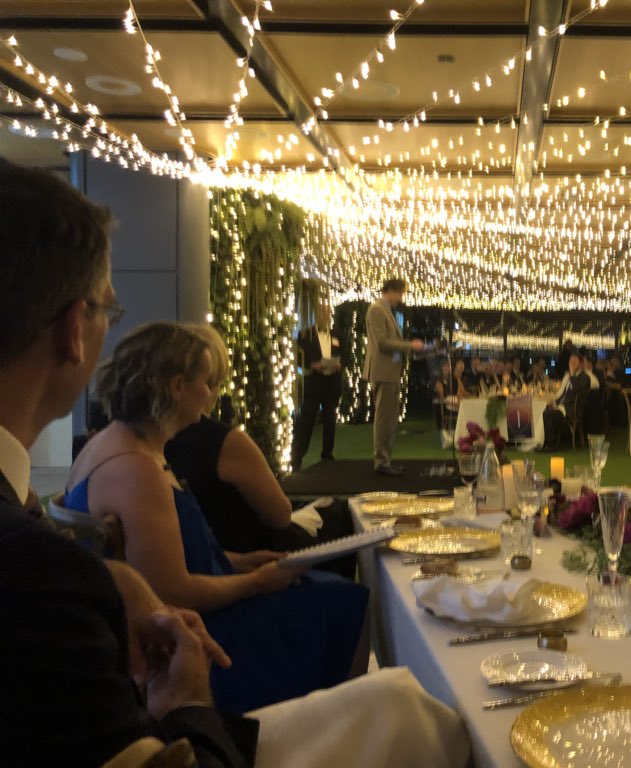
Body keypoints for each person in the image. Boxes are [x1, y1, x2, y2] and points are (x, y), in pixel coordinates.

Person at [0, 160, 253, 765]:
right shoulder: (36, 578)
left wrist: (116, 578)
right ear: (74, 330)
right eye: (106, 311)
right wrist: (188, 702)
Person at [65, 323, 370, 713]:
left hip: (198, 614)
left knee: (326, 590)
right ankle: (332, 722)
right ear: (178, 387)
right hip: (198, 638)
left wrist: (241, 561)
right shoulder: (135, 468)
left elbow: (165, 557)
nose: (211, 395)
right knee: (347, 601)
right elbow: (170, 592)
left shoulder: (114, 444)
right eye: (206, 383)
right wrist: (256, 582)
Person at [166, 325, 357, 575]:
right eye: (209, 383)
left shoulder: (149, 443)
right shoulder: (224, 442)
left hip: (211, 556)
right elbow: (279, 516)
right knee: (340, 514)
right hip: (254, 555)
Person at [362, 278, 425, 476]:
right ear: (390, 290)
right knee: (384, 418)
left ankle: (385, 460)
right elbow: (382, 343)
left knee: (389, 418)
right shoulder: (376, 310)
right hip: (383, 371)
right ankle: (381, 461)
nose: (401, 298)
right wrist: (409, 346)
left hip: (389, 371)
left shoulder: (386, 311)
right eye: (400, 293)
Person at [290, 304, 341, 472]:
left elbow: (343, 354)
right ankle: (297, 458)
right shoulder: (305, 335)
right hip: (313, 383)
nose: (325, 316)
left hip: (331, 383)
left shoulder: (336, 334)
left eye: (327, 313)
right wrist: (311, 365)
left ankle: (327, 456)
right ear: (316, 315)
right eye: (322, 313)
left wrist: (339, 364)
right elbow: (296, 357)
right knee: (306, 421)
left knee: (330, 421)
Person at [540, 352, 590, 451]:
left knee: (547, 415)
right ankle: (546, 443)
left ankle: (551, 445)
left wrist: (572, 374)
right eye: (570, 362)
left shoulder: (584, 377)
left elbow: (576, 388)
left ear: (580, 364)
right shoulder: (568, 376)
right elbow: (562, 393)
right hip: (561, 406)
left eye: (574, 362)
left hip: (572, 410)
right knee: (544, 411)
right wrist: (554, 403)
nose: (572, 364)